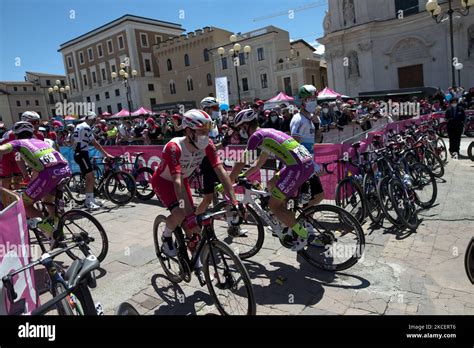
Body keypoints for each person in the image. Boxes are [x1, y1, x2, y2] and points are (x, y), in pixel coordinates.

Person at [151, 109, 242, 259]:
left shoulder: (208, 144)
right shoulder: (174, 147)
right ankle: (166, 237)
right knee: (181, 214)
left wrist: (234, 201)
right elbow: (176, 180)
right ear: (188, 131)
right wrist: (182, 208)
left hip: (182, 180)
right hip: (164, 181)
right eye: (201, 131)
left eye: (207, 131)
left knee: (193, 227)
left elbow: (220, 170)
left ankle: (196, 261)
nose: (205, 135)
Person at [228, 109, 322, 251]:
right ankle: (287, 222)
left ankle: (303, 234)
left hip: (296, 167)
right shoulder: (266, 133)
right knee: (271, 183)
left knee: (274, 205)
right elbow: (258, 164)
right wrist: (244, 175)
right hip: (304, 162)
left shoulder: (256, 137)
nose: (240, 131)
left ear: (246, 126)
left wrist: (228, 182)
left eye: (241, 128)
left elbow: (243, 161)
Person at [0, 121, 72, 242]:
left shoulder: (18, 142)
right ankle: (59, 230)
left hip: (48, 174)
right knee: (49, 202)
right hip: (65, 170)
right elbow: (38, 166)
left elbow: (2, 149)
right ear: (32, 133)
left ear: (16, 135)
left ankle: (51, 233)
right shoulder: (41, 142)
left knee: (24, 204)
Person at [289, 85, 325, 207]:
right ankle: (302, 220)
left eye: (315, 99)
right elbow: (294, 145)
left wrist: (317, 126)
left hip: (308, 164)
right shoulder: (298, 119)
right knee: (314, 197)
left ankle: (305, 220)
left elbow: (318, 140)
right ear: (303, 101)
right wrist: (312, 164)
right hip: (302, 165)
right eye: (310, 99)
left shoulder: (313, 119)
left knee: (314, 197)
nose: (313, 102)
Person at [73, 111, 113, 210]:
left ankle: (90, 199)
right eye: (94, 120)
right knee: (91, 177)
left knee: (89, 177)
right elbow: (95, 143)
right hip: (82, 154)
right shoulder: (86, 127)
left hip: (79, 153)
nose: (95, 123)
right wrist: (106, 154)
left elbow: (73, 141)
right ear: (91, 119)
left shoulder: (79, 126)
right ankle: (89, 202)